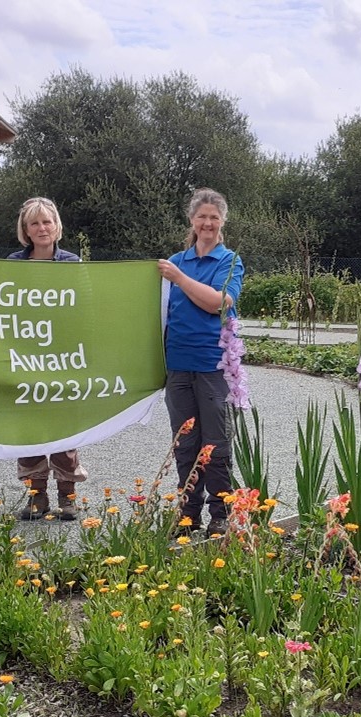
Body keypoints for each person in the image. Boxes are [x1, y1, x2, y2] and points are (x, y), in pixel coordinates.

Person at [157, 188, 244, 538]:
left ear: (222, 222)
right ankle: (187, 512)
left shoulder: (229, 261)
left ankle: (220, 514)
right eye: (202, 216)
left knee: (217, 443)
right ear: (192, 220)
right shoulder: (175, 260)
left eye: (214, 217)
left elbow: (220, 303)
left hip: (213, 364)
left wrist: (179, 278)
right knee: (185, 443)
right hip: (178, 365)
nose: (208, 223)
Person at [6, 197, 88, 520]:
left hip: (62, 357)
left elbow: (84, 307)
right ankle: (36, 496)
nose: (42, 228)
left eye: (47, 222)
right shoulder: (14, 263)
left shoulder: (72, 262)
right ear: (25, 230)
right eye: (35, 223)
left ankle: (67, 495)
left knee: (63, 423)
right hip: (25, 357)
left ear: (56, 227)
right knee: (30, 427)